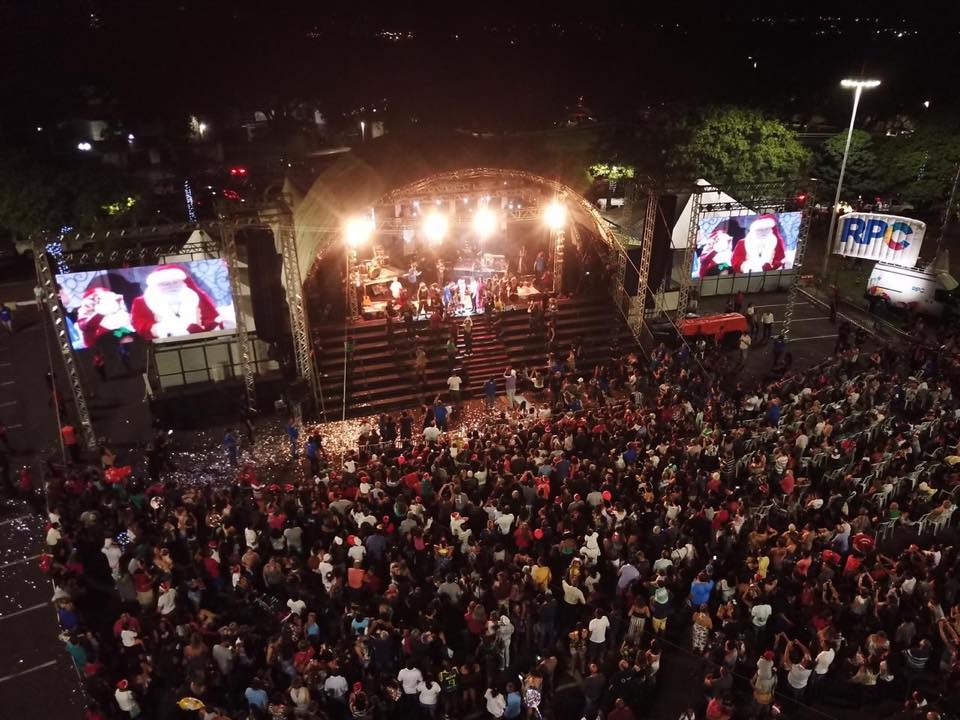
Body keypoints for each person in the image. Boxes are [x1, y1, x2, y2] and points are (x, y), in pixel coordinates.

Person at [130, 265, 223, 339]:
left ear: (182, 282)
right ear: (156, 285)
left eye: (175, 282)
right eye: (165, 284)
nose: (171, 286)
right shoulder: (143, 301)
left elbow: (211, 316)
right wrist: (158, 329)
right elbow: (141, 325)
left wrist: (204, 328)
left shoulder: (194, 296)